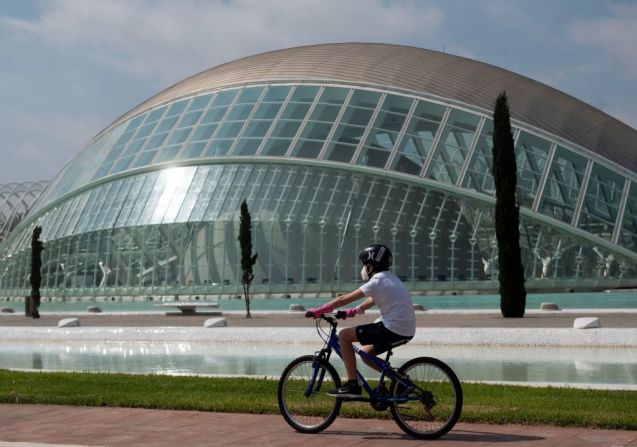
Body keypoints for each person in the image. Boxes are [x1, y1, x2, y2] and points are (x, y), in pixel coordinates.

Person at [305, 244, 416, 398]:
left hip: (391, 328)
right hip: (405, 330)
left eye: (365, 265)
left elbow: (344, 298)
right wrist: (354, 311)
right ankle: (400, 382)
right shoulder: (391, 278)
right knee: (366, 354)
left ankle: (352, 385)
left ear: (370, 266)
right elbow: (373, 299)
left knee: (344, 336)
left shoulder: (377, 280)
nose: (364, 269)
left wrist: (320, 310)